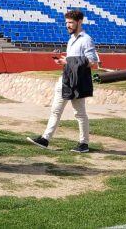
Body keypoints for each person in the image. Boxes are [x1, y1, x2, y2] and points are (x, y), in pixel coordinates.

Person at [27, 10, 100, 153]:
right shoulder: (71, 39)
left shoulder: (86, 39)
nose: (68, 25)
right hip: (65, 79)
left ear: (79, 22)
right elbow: (73, 62)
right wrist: (64, 61)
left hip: (77, 82)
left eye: (71, 22)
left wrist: (68, 60)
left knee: (79, 114)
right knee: (55, 110)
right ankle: (45, 139)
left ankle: (84, 144)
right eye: (66, 22)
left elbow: (92, 61)